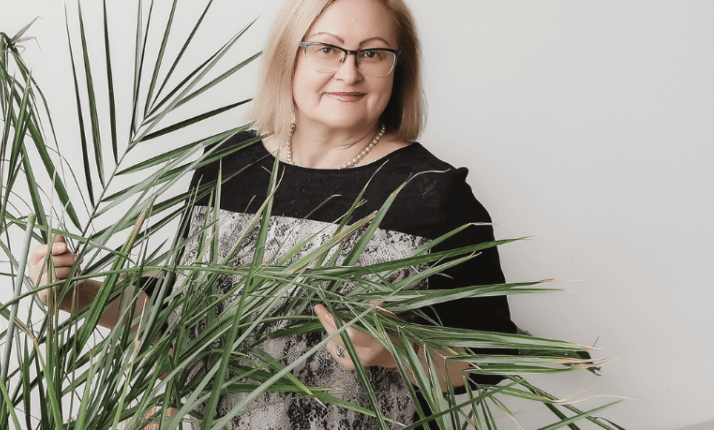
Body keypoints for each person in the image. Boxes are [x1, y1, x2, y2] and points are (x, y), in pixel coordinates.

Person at [29, 0, 517, 428]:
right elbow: (176, 314)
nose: (349, 73)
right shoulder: (227, 164)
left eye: (372, 53)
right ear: (290, 55)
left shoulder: (436, 193)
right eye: (327, 48)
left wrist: (395, 350)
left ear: (398, 66)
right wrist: (80, 295)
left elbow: (494, 359)